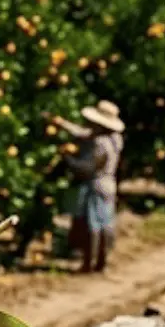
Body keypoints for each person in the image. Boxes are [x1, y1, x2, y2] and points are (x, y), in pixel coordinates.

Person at [50, 100, 124, 274]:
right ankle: (101, 263)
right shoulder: (115, 139)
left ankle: (88, 264)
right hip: (109, 184)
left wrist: (68, 159)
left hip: (97, 184)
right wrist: (62, 124)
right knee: (106, 222)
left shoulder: (99, 143)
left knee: (93, 225)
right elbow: (83, 133)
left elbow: (88, 167)